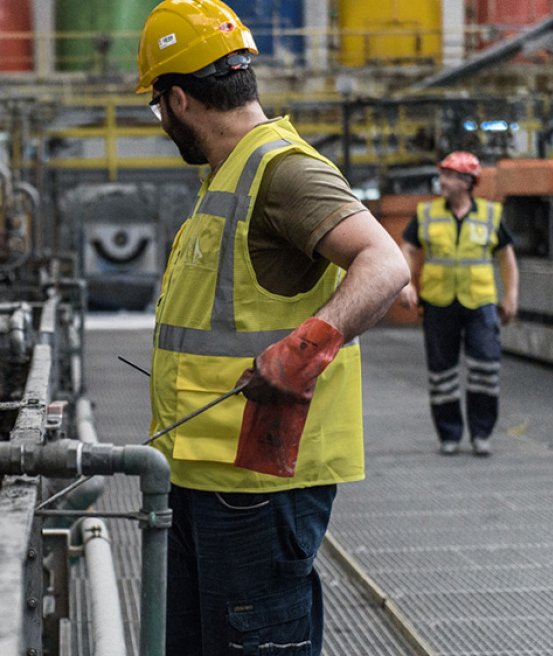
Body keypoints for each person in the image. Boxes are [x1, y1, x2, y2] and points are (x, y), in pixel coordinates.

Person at [136, 1, 410, 654]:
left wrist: (304, 348)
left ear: (178, 100)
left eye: (157, 110)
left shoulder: (284, 170)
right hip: (202, 476)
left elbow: (386, 264)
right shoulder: (226, 177)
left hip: (257, 485)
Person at [397, 151, 520, 457]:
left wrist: (511, 295)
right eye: (443, 174)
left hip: (480, 303)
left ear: (467, 182)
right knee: (442, 373)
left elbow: (506, 257)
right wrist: (406, 283)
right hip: (439, 303)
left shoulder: (490, 214)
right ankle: (449, 434)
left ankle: (481, 433)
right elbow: (407, 249)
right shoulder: (427, 213)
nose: (443, 181)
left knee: (485, 368)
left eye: (450, 176)